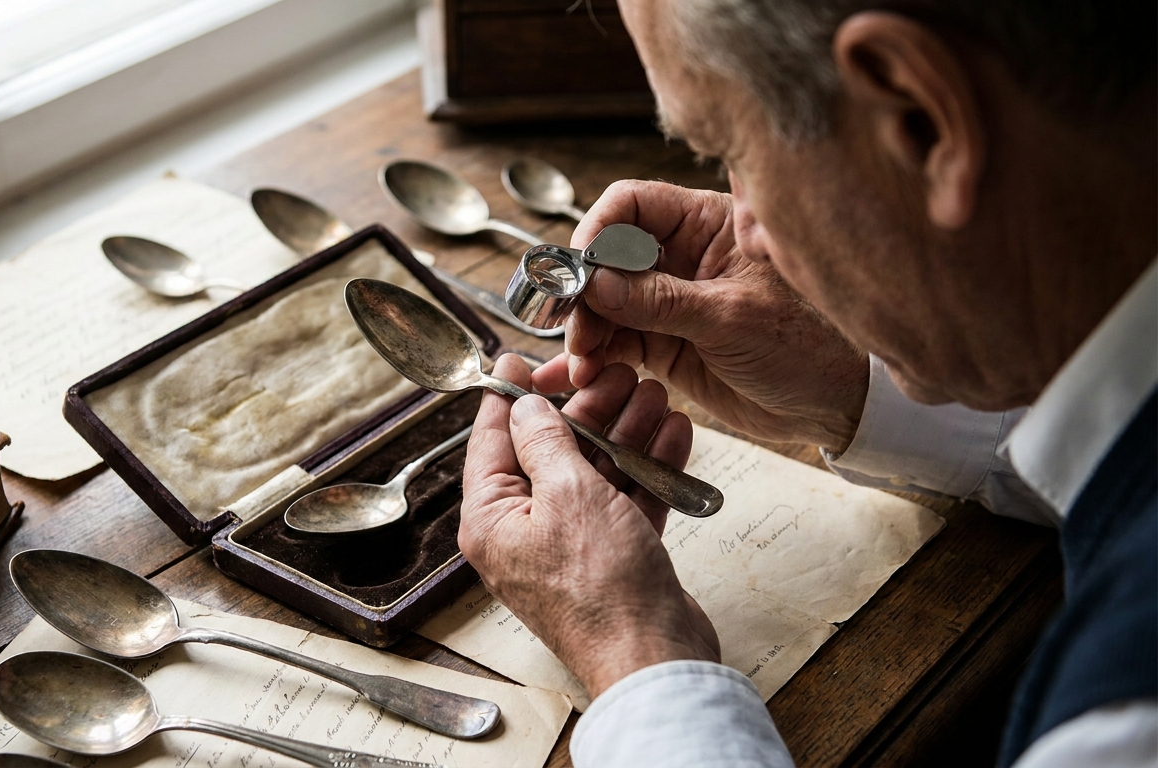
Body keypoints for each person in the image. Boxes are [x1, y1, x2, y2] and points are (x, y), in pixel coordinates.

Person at [456, 1, 1156, 766]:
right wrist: (854, 389)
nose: (745, 227)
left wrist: (635, 652)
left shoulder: (1120, 725)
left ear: (919, 116)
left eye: (731, 149)